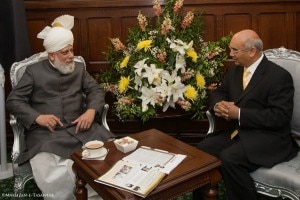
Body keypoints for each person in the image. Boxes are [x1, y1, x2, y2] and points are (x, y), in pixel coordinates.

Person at [6, 14, 115, 200]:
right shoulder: (33, 72)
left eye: (71, 50)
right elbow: (13, 101)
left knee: (110, 154)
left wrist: (90, 111)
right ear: (52, 55)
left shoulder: (78, 68)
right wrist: (37, 117)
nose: (71, 56)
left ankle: (103, 195)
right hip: (46, 133)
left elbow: (96, 91)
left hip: (81, 127)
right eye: (65, 52)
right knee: (50, 167)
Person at [194, 29, 299, 200]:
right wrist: (218, 105)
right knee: (202, 151)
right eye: (231, 49)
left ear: (252, 51)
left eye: (235, 50)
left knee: (230, 158)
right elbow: (219, 92)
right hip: (239, 132)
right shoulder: (235, 70)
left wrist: (240, 114)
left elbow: (279, 117)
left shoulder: (279, 76)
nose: (231, 54)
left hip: (269, 138)